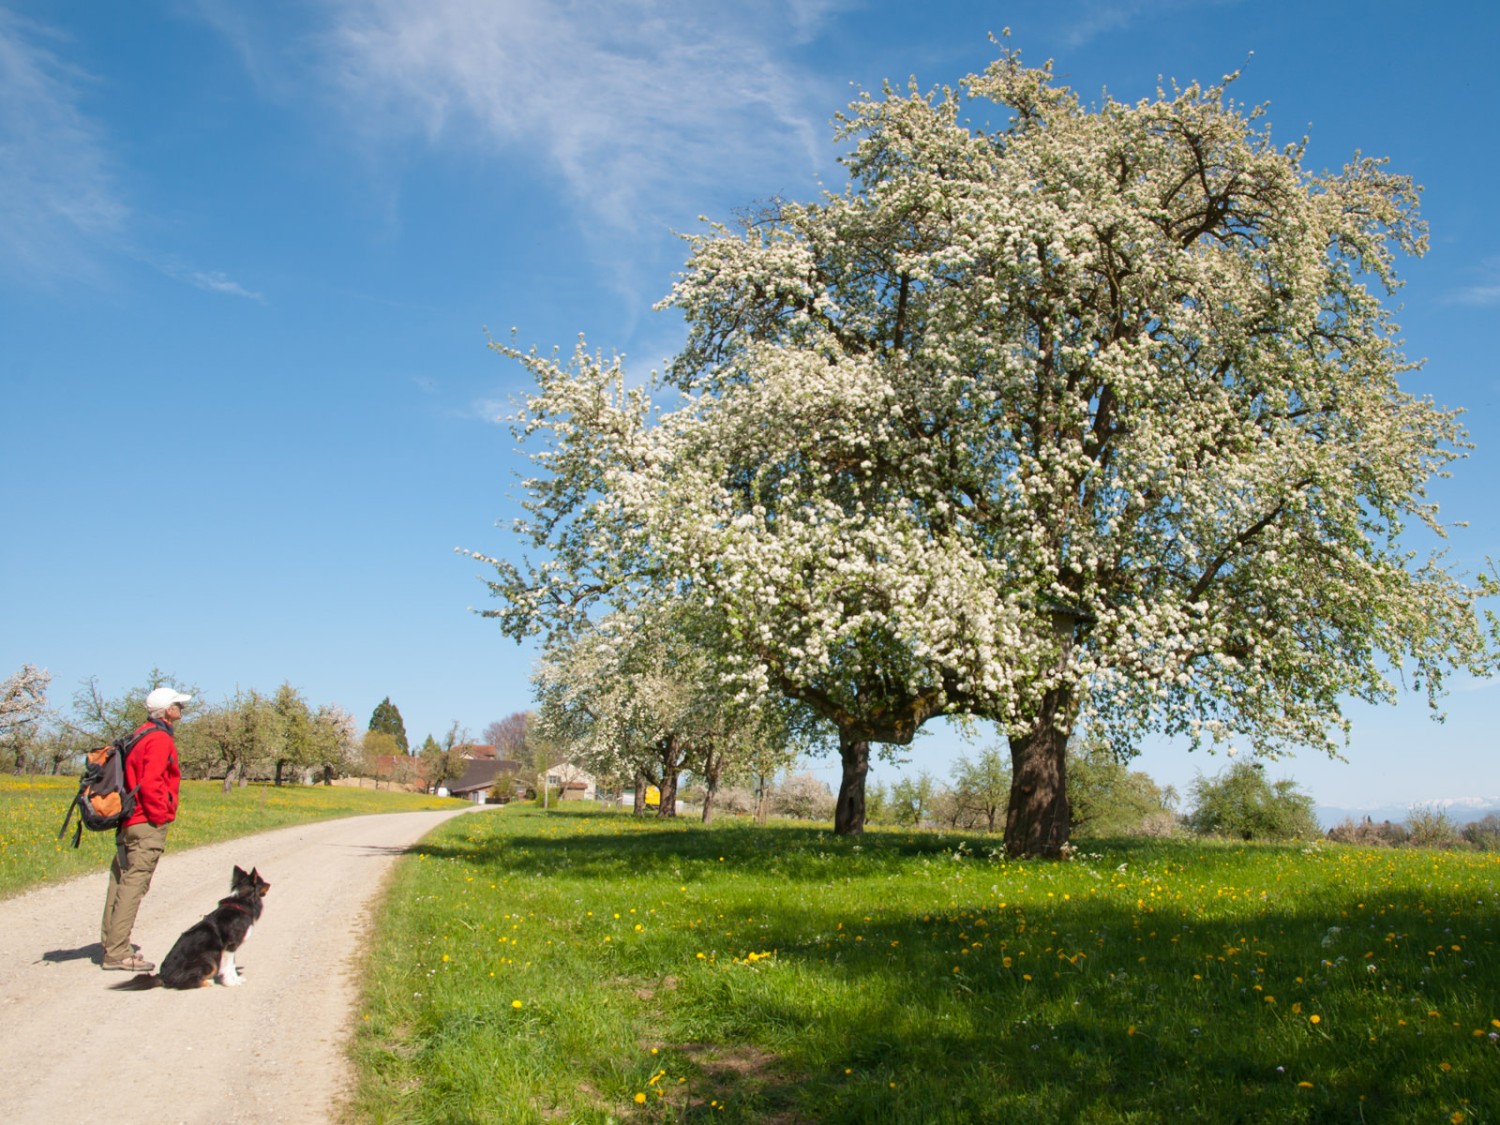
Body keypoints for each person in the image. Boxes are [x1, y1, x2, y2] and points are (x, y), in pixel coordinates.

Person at [99, 686, 189, 972]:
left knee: (121, 881)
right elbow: (152, 783)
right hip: (145, 821)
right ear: (167, 711)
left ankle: (111, 942)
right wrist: (161, 816)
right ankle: (117, 953)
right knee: (135, 884)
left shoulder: (139, 734)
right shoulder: (160, 739)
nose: (181, 710)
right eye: (178, 705)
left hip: (127, 820)